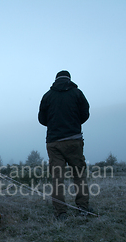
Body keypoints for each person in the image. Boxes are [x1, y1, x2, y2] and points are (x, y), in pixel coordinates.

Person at [38, 70, 90, 218]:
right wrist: (73, 123)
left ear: (56, 80)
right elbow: (85, 114)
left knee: (57, 178)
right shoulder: (77, 93)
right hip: (74, 140)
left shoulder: (47, 96)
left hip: (54, 142)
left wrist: (55, 124)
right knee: (79, 175)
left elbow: (42, 119)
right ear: (69, 79)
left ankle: (60, 212)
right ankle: (83, 208)